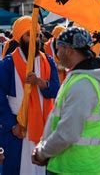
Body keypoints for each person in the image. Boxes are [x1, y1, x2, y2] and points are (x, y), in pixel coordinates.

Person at [31, 27, 100, 174]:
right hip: (82, 165)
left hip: (74, 167)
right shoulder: (83, 77)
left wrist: (42, 152)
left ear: (68, 50)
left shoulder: (83, 83)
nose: (57, 54)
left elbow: (68, 132)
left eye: (58, 49)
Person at [0, 16, 60, 174]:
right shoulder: (7, 64)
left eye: (38, 34)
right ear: (20, 38)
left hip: (45, 127)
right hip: (18, 130)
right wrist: (12, 125)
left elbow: (55, 90)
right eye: (29, 34)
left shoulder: (49, 61)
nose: (35, 38)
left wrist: (40, 82)